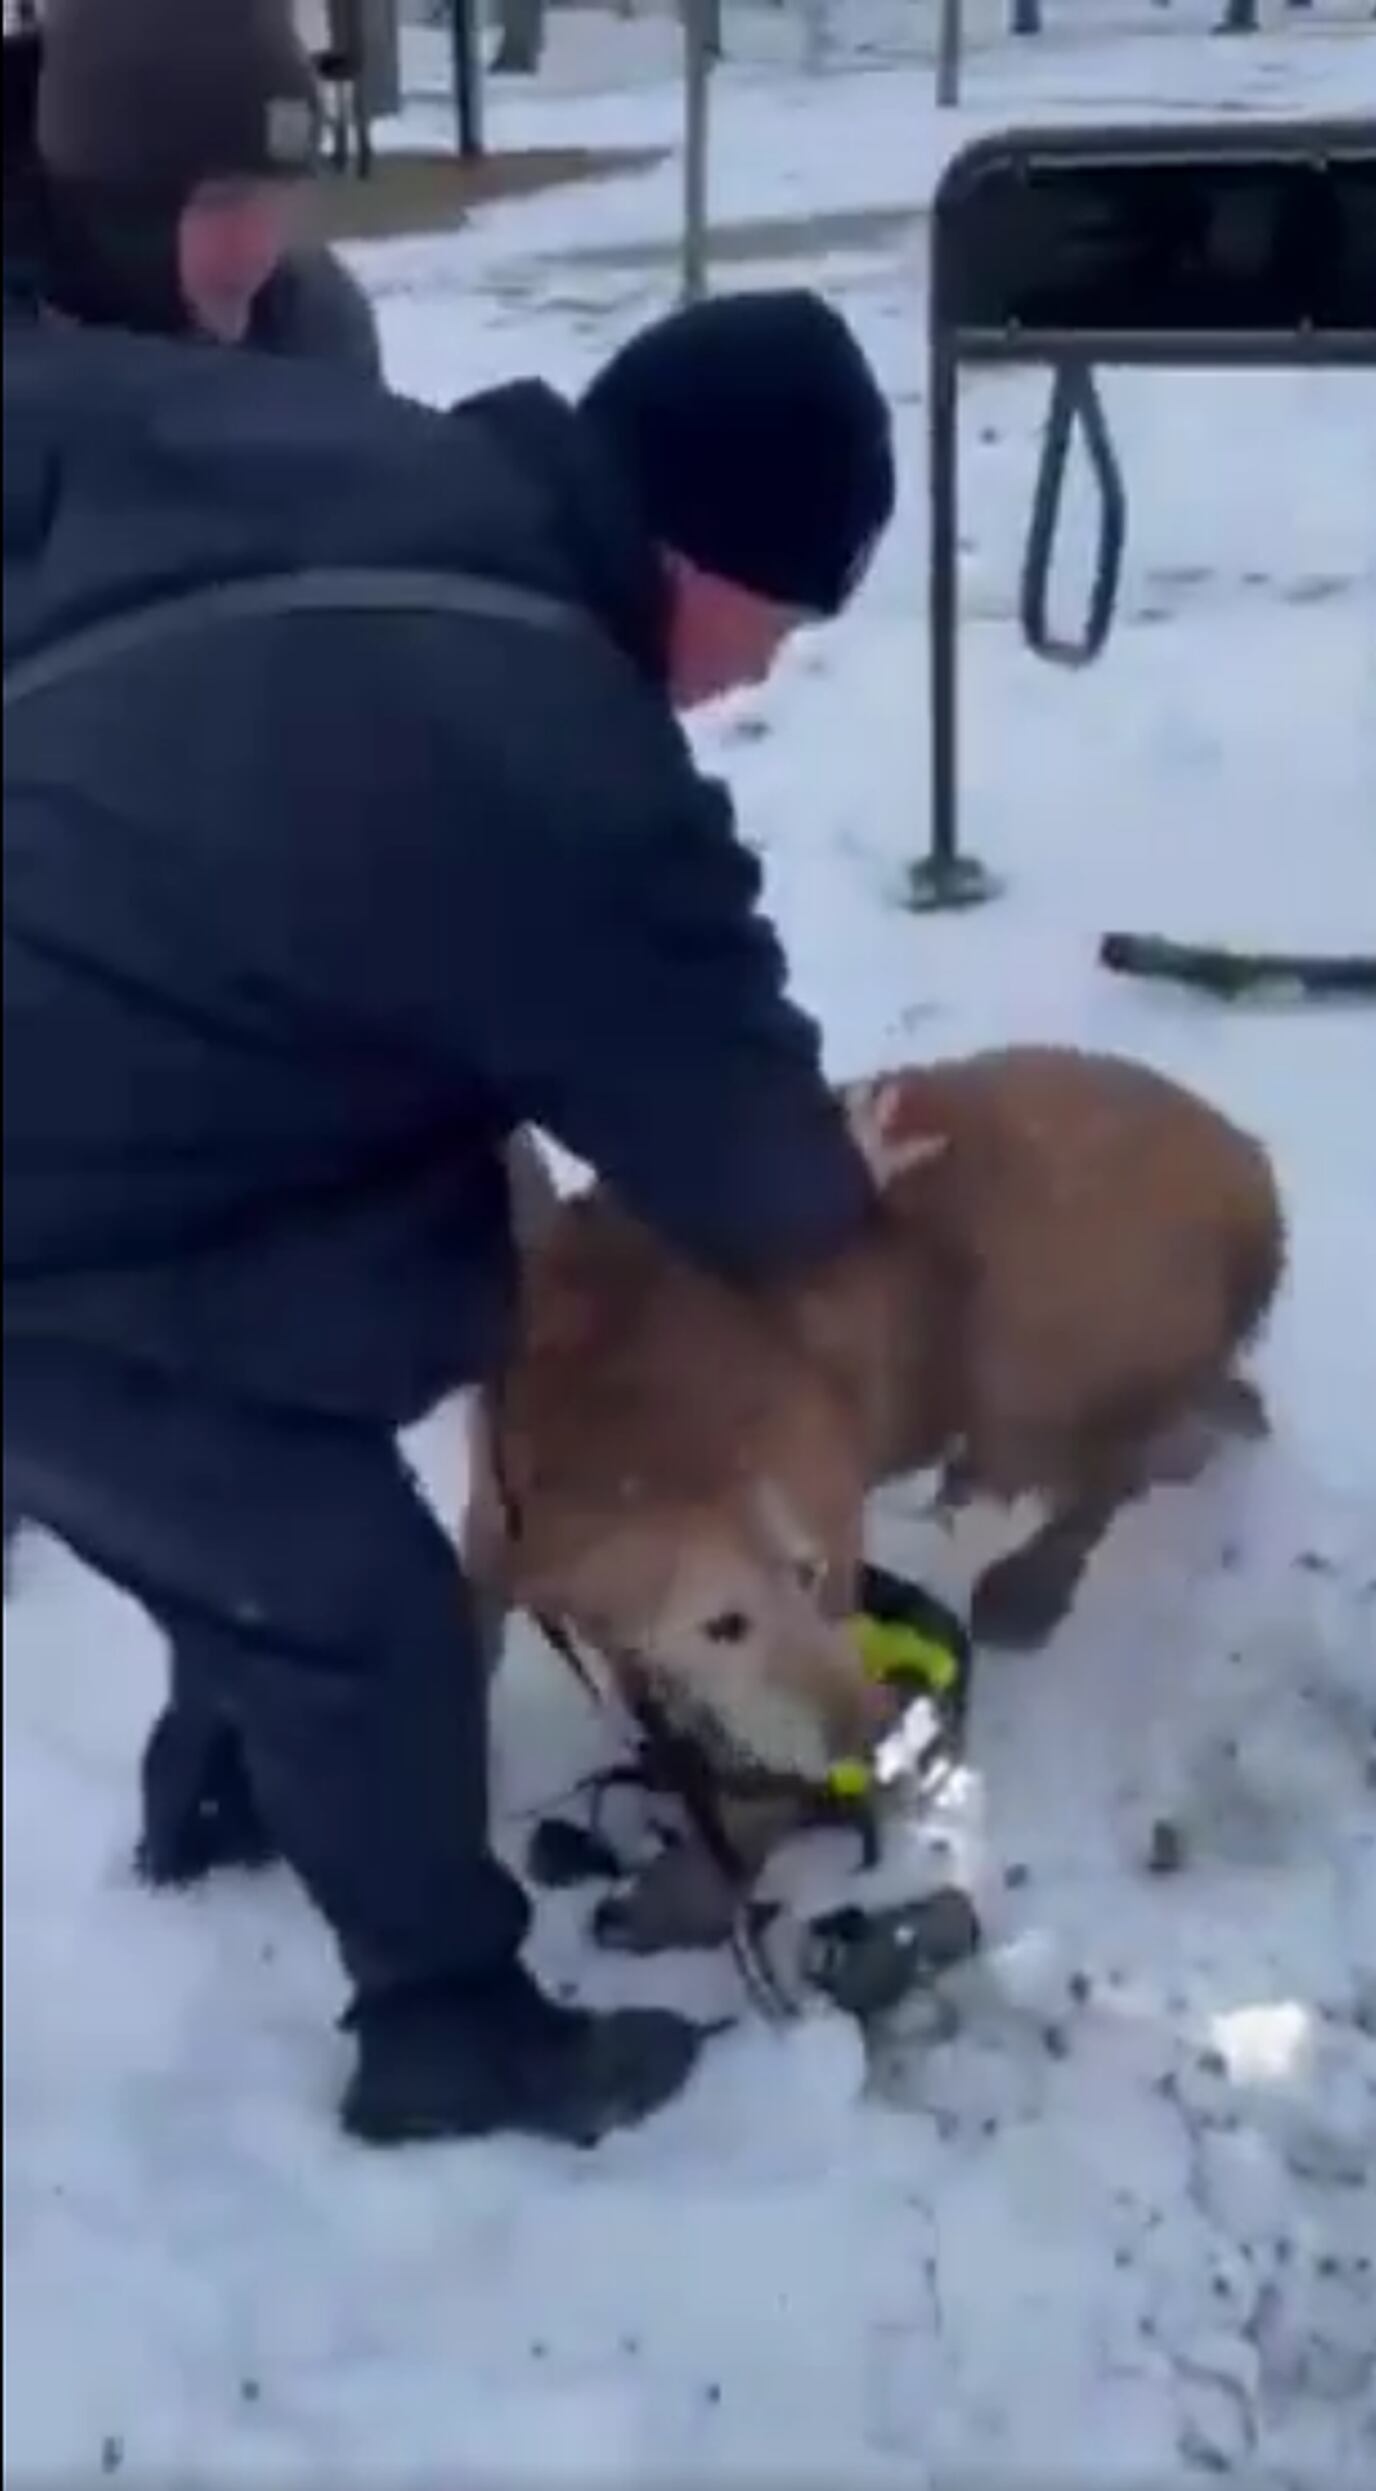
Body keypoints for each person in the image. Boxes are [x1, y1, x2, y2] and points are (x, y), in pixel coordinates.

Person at [4, 280, 898, 2149]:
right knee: (365, 1613)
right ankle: (449, 2032)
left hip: (112, 1087)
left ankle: (224, 1789)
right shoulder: (561, 756)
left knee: (285, 1410)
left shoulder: (337, 442)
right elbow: (742, 1151)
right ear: (704, 545)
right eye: (784, 619)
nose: (762, 674)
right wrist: (834, 1186)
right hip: (56, 1203)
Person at [2, 0, 380, 1813]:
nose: (257, 249)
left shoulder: (309, 326)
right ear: (101, 192)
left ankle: (234, 1722)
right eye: (213, 198)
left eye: (280, 196)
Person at [3, 0, 380, 367]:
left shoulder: (316, 335)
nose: (259, 247)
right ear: (112, 210)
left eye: (277, 192)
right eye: (220, 201)